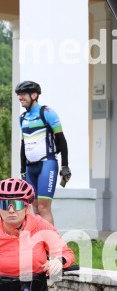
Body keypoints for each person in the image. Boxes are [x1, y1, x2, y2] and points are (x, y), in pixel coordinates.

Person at [15, 81, 70, 226]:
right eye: (18, 95)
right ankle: (41, 245)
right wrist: (22, 170)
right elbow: (23, 145)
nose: (20, 98)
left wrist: (65, 166)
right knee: (35, 208)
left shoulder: (47, 113)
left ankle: (51, 245)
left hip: (47, 164)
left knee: (44, 207)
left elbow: (62, 141)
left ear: (34, 95)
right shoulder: (22, 118)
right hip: (29, 168)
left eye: (22, 94)